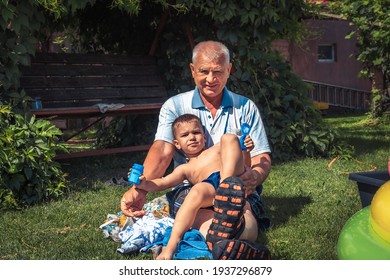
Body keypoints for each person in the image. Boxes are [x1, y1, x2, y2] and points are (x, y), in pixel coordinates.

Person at [121, 40, 272, 258]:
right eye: (204, 71)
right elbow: (163, 151)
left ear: (229, 70)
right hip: (192, 189)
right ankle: (228, 243)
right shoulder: (175, 106)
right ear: (192, 71)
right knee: (200, 208)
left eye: (218, 71)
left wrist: (255, 177)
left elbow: (261, 158)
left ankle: (222, 237)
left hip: (238, 187)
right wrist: (140, 189)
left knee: (244, 212)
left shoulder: (245, 107)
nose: (211, 79)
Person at [134, 114, 253, 259]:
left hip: (232, 179)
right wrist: (144, 184)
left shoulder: (216, 148)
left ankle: (226, 189)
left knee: (229, 138)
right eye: (185, 135)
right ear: (177, 144)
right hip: (211, 188)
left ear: (204, 136)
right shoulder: (185, 168)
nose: (192, 137)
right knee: (197, 190)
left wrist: (245, 150)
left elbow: (245, 165)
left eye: (196, 132)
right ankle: (171, 247)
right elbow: (163, 182)